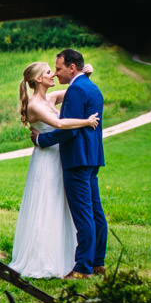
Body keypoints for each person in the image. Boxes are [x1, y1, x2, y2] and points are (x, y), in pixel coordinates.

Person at [9, 60, 100, 278]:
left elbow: (73, 90)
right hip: (46, 161)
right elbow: (59, 124)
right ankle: (43, 258)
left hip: (59, 158)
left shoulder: (50, 98)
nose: (53, 75)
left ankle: (69, 256)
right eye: (49, 72)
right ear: (39, 79)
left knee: (63, 206)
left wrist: (83, 73)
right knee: (47, 205)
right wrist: (86, 122)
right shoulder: (35, 106)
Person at [34, 48, 106, 279]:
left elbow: (67, 130)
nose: (56, 74)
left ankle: (82, 268)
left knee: (83, 214)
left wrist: (42, 139)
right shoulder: (91, 87)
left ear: (71, 68)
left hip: (76, 159)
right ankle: (98, 262)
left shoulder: (76, 90)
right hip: (92, 157)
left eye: (59, 68)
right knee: (95, 211)